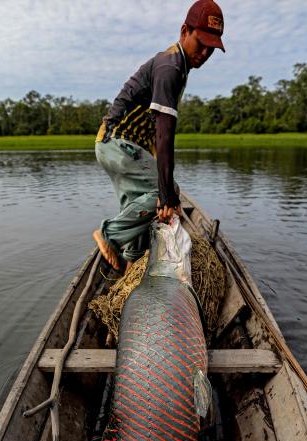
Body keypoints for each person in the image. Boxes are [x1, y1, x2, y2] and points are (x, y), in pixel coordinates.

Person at [93, 0, 225, 272]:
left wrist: (164, 194)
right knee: (164, 191)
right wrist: (167, 196)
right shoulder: (170, 67)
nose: (204, 53)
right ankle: (109, 235)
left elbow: (154, 132)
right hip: (118, 144)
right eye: (200, 43)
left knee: (139, 202)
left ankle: (131, 261)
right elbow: (165, 137)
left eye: (211, 49)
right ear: (184, 31)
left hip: (118, 145)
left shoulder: (179, 66)